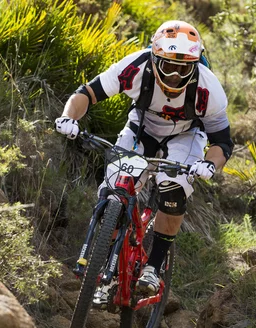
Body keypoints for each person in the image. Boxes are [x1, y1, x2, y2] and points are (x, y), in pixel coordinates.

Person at [54, 20, 234, 298]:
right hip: (141, 129)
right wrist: (68, 117)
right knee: (112, 190)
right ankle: (106, 261)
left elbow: (221, 141)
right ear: (154, 57)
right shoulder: (135, 66)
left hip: (185, 137)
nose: (175, 75)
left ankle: (153, 264)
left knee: (173, 190)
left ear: (196, 65)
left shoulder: (209, 88)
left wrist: (210, 164)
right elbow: (86, 93)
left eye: (184, 67)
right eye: (169, 66)